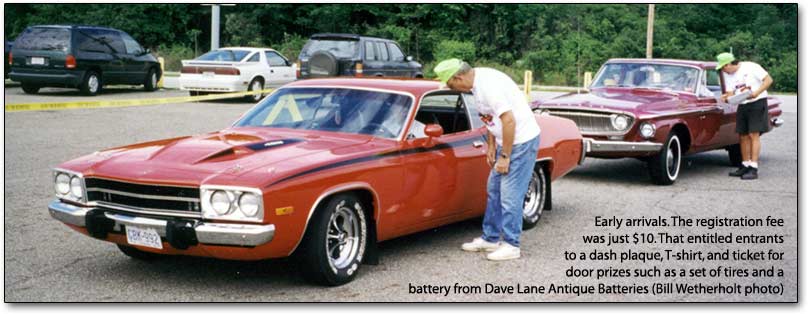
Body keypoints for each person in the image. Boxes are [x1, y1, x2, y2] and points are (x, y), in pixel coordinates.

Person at [434, 58, 540, 261]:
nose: (451, 88)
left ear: (458, 77)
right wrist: (492, 145)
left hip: (520, 142)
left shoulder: (489, 87)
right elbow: (491, 117)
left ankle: (511, 244)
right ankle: (490, 238)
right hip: (505, 141)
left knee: (510, 195)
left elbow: (509, 120)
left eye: (450, 84)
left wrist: (505, 156)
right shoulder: (475, 84)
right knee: (494, 189)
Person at [716, 53, 773, 180]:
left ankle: (753, 167)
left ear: (729, 64)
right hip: (742, 103)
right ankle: (745, 164)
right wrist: (726, 98)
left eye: (724, 67)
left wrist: (756, 93)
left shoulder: (751, 67)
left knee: (754, 134)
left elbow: (768, 80)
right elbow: (731, 92)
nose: (723, 71)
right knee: (742, 135)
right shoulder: (728, 75)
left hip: (757, 102)